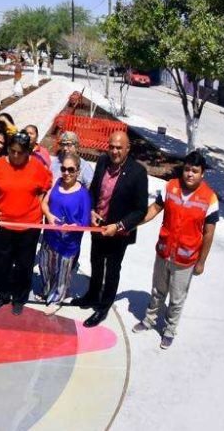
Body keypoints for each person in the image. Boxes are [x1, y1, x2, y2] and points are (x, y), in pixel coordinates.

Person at [133, 151, 217, 349]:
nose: (189, 174)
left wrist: (201, 262)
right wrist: (133, 222)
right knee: (157, 290)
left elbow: (209, 233)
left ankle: (169, 330)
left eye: (195, 171)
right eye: (187, 169)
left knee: (177, 298)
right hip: (164, 251)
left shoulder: (210, 198)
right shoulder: (170, 187)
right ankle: (149, 320)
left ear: (202, 174)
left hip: (185, 260)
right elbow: (154, 209)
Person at [75, 131, 149, 328]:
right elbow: (93, 191)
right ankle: (92, 294)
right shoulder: (102, 162)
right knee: (96, 261)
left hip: (119, 232)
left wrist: (118, 226)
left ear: (127, 149)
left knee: (112, 269)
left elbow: (140, 210)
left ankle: (103, 306)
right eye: (111, 147)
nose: (114, 151)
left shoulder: (138, 173)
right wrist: (91, 211)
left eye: (119, 148)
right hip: (98, 226)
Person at [0, 133, 52, 315]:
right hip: (4, 225)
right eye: (11, 151)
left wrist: (39, 203)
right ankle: (2, 295)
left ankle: (19, 298)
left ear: (27, 152)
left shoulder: (37, 167)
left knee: (24, 264)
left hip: (29, 227)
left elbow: (46, 186)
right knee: (3, 262)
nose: (14, 155)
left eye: (19, 153)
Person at [39, 153, 92, 306]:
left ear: (78, 171)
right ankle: (47, 291)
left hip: (68, 243)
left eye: (71, 169)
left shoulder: (83, 194)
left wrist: (75, 227)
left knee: (62, 275)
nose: (66, 173)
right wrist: (48, 215)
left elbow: (85, 221)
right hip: (50, 238)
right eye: (63, 169)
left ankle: (56, 299)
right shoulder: (56, 183)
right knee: (45, 266)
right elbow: (44, 203)